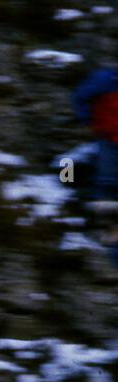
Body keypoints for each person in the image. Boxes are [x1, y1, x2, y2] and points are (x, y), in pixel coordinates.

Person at [73, 66, 118, 256]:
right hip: (108, 139)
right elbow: (80, 96)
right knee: (107, 185)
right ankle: (108, 236)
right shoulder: (105, 78)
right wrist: (88, 121)